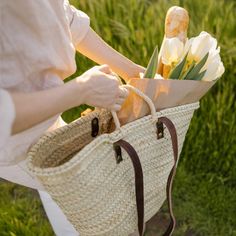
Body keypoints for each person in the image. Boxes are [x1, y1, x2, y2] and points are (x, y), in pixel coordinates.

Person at [0, 0, 145, 235]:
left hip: (45, 121)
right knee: (92, 201)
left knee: (64, 190)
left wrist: (131, 71)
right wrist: (81, 90)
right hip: (14, 139)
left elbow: (64, 16)